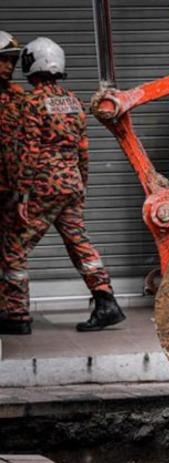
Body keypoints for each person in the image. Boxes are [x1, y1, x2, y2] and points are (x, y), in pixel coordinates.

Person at [1, 37, 125, 335]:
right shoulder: (74, 102)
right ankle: (106, 300)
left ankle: (15, 315)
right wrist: (81, 185)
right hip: (71, 185)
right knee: (79, 242)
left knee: (14, 245)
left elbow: (27, 151)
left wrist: (22, 193)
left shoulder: (30, 103)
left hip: (41, 187)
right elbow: (83, 149)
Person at [0, 31, 24, 288]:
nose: (8, 66)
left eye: (11, 60)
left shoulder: (18, 96)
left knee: (10, 248)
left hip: (9, 190)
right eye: (2, 60)